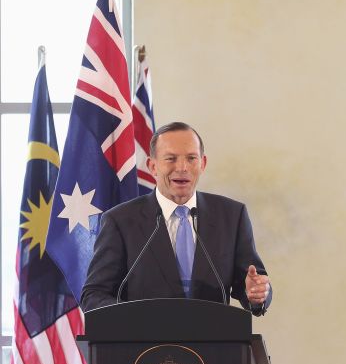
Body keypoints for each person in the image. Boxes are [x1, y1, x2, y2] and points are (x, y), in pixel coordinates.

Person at [81, 122, 272, 315]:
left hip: (213, 341)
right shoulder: (120, 221)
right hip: (145, 341)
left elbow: (251, 281)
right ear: (152, 166)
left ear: (203, 163)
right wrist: (133, 317)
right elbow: (94, 294)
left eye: (191, 158)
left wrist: (257, 292)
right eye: (171, 159)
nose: (182, 167)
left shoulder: (231, 215)